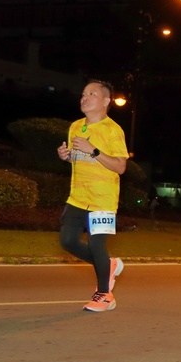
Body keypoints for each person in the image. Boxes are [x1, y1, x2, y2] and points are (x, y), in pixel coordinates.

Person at [56, 80, 129, 312]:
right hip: (77, 197)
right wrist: (66, 156)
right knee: (67, 241)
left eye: (91, 94)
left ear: (106, 101)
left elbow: (120, 167)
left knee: (97, 246)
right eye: (83, 94)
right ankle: (109, 265)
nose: (84, 98)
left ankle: (104, 295)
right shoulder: (76, 126)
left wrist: (94, 150)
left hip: (102, 200)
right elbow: (78, 159)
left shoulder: (113, 130)